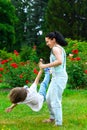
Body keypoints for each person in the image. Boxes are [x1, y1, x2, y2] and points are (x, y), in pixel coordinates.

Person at [39, 31, 68, 126]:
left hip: (59, 78)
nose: (47, 44)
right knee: (48, 98)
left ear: (53, 40)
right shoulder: (58, 48)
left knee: (55, 100)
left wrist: (44, 66)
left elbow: (59, 61)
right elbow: (59, 63)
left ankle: (58, 123)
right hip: (56, 77)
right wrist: (51, 69)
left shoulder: (55, 49)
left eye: (48, 41)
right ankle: (52, 117)